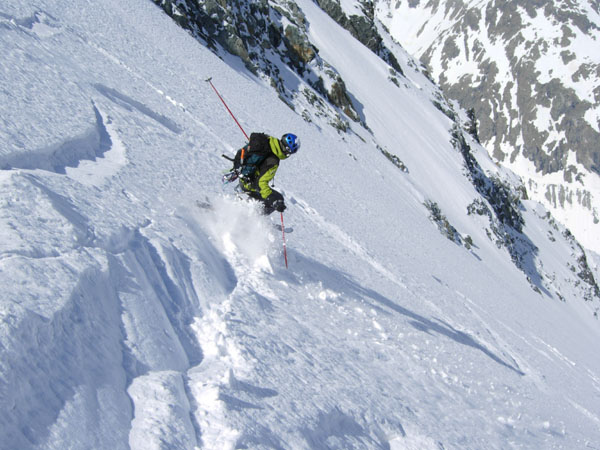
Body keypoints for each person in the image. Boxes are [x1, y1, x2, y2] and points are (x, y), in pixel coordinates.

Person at [231, 132, 300, 215]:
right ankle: (254, 218)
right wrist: (273, 200)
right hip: (249, 184)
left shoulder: (268, 141)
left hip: (242, 176)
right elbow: (261, 183)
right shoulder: (273, 161)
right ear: (287, 151)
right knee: (278, 198)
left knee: (272, 196)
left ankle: (244, 208)